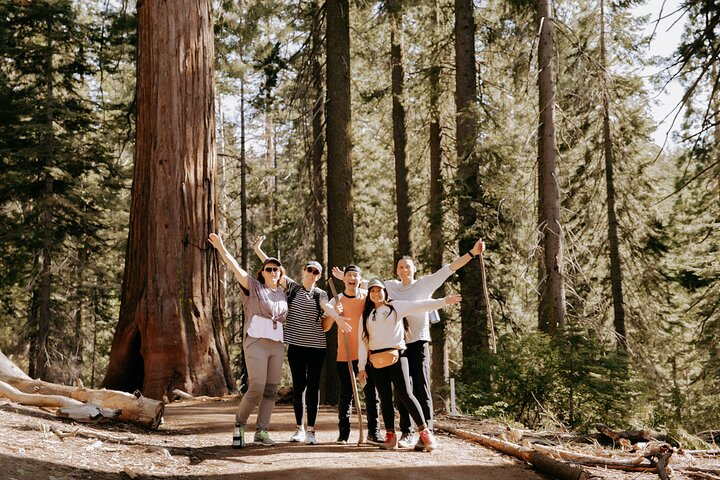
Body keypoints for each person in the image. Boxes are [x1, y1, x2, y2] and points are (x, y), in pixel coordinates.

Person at [356, 278, 461, 451]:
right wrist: (361, 367)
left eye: (379, 290)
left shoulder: (395, 306)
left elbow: (420, 305)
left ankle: (425, 433)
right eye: (372, 291)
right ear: (369, 294)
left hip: (398, 355)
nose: (376, 293)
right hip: (376, 360)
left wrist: (444, 301)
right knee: (385, 399)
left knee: (406, 394)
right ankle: (391, 437)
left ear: (385, 291)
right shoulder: (366, 315)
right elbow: (363, 342)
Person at [208, 233, 287, 449]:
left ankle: (262, 431)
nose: (272, 272)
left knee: (271, 390)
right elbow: (233, 265)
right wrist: (221, 247)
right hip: (256, 343)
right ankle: (239, 426)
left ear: (281, 274)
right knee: (257, 387)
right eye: (268, 269)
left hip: (277, 346)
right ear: (261, 273)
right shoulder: (253, 286)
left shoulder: (283, 293)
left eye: (276, 269)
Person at [252, 236, 328, 445]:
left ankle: (311, 430)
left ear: (318, 276)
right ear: (304, 271)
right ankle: (299, 429)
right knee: (299, 386)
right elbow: (273, 268)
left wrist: (337, 315)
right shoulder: (293, 287)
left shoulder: (321, 294)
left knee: (313, 387)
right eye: (309, 269)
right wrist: (258, 249)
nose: (311, 273)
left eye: (315, 272)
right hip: (296, 346)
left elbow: (327, 309)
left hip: (317, 347)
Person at [321, 265, 383, 445]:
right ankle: (344, 434)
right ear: (344, 280)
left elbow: (378, 290)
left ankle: (374, 432)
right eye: (349, 275)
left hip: (368, 354)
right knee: (346, 394)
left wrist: (358, 280)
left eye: (356, 276)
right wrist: (334, 314)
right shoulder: (336, 300)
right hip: (345, 355)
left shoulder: (367, 297)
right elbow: (325, 326)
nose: (352, 278)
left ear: (360, 279)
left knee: (371, 393)